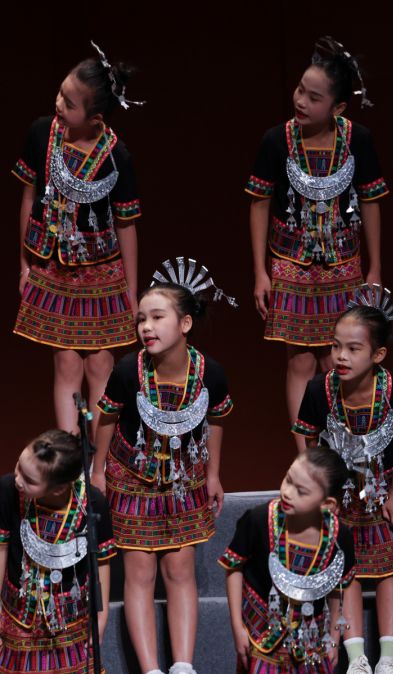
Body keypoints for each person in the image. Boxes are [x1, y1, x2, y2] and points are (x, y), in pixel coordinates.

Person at [91, 258, 235, 674]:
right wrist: (98, 471)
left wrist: (212, 474)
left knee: (179, 570)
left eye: (157, 317)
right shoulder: (126, 370)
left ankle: (183, 666)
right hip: (131, 478)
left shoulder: (212, 373)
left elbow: (217, 422)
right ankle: (152, 669)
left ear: (185, 324)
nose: (146, 327)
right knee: (138, 573)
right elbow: (105, 419)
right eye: (141, 319)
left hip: (184, 480)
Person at [247, 35, 389, 425]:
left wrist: (374, 268)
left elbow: (371, 201)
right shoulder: (276, 140)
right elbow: (259, 203)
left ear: (338, 107)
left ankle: (337, 447)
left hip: (344, 264)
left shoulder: (358, 140)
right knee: (301, 360)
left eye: (313, 97)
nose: (301, 101)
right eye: (299, 90)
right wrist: (261, 271)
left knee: (335, 358)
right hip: (290, 263)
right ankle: (305, 459)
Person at [13, 41, 144, 436]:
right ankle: (72, 458)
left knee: (101, 364)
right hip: (53, 268)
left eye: (69, 103)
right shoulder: (42, 134)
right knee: (66, 363)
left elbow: (126, 225)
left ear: (95, 116)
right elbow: (29, 198)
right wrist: (25, 265)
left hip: (102, 274)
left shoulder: (116, 154)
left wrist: (130, 292)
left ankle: (100, 464)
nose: (59, 104)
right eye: (60, 93)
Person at [293, 286, 393, 674]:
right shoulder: (319, 389)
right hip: (339, 493)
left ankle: (387, 658)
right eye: (336, 347)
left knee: (388, 571)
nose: (341, 356)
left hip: (384, 488)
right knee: (343, 569)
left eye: (353, 349)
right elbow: (310, 440)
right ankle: (357, 659)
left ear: (378, 354)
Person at [219, 445, 358, 673]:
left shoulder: (339, 537)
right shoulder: (258, 520)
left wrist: (334, 638)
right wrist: (237, 625)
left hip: (312, 640)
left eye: (301, 491)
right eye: (288, 479)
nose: (287, 492)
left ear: (328, 504)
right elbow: (234, 567)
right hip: (262, 634)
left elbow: (339, 589)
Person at [0, 429, 115, 674]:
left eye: (30, 480)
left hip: (71, 620)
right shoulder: (8, 489)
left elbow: (102, 564)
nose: (18, 479)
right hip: (18, 615)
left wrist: (101, 617)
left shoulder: (93, 503)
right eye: (19, 467)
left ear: (58, 488)